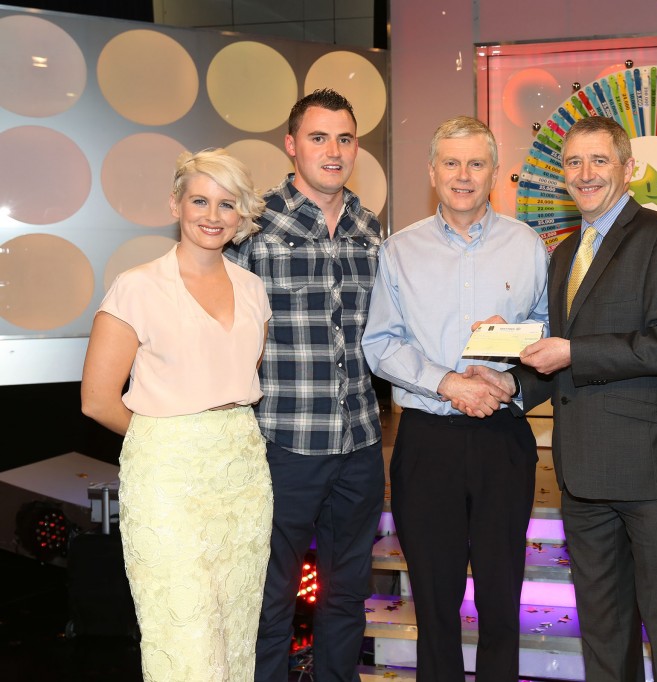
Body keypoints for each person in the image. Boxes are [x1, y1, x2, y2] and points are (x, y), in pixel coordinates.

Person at [475, 115, 657, 681]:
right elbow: (554, 357)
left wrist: (574, 352)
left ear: (628, 169)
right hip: (581, 469)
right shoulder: (565, 255)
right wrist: (510, 379)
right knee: (603, 625)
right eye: (574, 163)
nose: (585, 174)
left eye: (599, 161)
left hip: (648, 465)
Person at [361, 115, 548, 681]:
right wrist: (448, 382)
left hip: (503, 439)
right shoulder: (399, 250)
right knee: (434, 604)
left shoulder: (529, 245)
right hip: (427, 442)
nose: (463, 176)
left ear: (494, 172)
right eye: (451, 163)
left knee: (501, 600)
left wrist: (510, 376)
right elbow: (379, 343)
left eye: (476, 163)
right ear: (432, 171)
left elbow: (547, 329)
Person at [81, 148, 272, 681]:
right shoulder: (137, 287)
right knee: (184, 633)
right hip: (167, 479)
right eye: (200, 200)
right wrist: (167, 437)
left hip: (243, 477)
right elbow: (97, 399)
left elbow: (236, 377)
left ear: (241, 215)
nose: (213, 215)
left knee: (235, 632)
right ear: (175, 205)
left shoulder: (254, 290)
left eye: (227, 204)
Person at [224, 89, 385, 682]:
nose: (333, 151)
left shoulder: (370, 229)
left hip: (362, 445)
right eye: (318, 138)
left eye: (344, 138)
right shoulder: (252, 228)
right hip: (283, 447)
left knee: (347, 599)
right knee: (269, 601)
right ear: (291, 145)